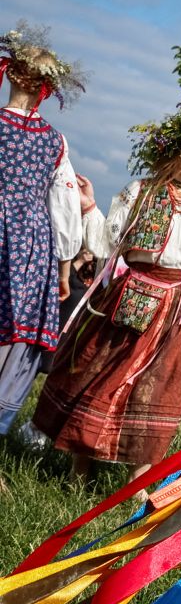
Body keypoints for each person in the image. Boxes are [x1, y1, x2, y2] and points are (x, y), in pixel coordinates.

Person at [33, 96, 181, 486]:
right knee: (100, 375)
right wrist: (89, 207)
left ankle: (136, 486)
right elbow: (108, 241)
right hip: (129, 298)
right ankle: (80, 471)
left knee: (160, 391)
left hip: (179, 311)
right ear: (177, 151)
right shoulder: (142, 191)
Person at [0, 22, 86, 435]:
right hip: (31, 243)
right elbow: (66, 209)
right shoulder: (55, 141)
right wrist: (65, 269)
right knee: (14, 337)